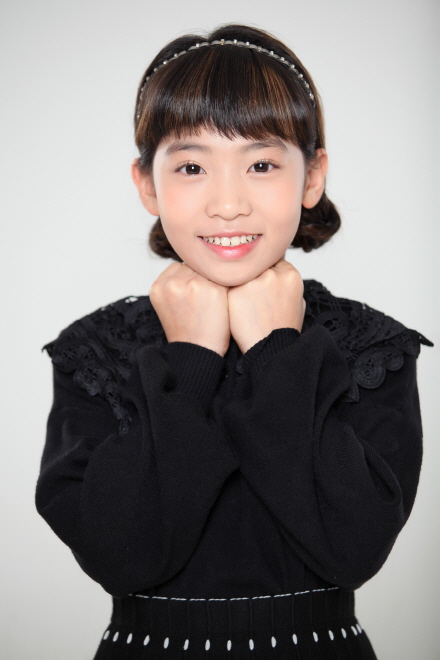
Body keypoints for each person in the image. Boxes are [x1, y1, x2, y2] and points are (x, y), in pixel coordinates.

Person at [35, 23, 433, 660]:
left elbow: (353, 549)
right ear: (147, 184)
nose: (227, 204)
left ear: (312, 177)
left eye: (262, 164)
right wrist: (190, 360)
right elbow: (120, 558)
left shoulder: (368, 347)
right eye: (192, 166)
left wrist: (277, 350)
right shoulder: (98, 352)